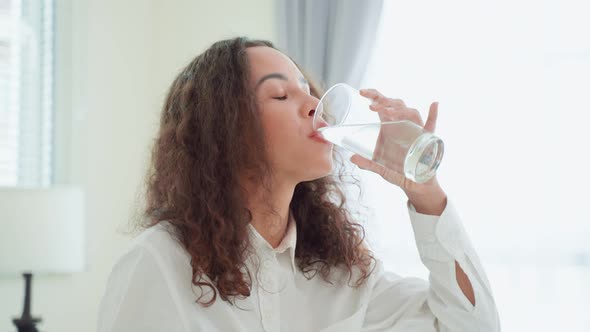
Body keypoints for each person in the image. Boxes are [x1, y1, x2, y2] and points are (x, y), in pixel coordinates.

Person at [97, 37, 500, 332]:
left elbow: (472, 326)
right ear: (226, 130)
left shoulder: (342, 275)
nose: (314, 105)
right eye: (280, 94)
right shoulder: (159, 263)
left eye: (308, 91)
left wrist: (425, 190)